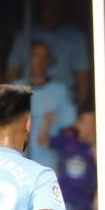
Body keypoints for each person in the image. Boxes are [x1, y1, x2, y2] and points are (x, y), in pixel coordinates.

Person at [5, 0, 90, 108]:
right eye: (47, 5)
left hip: (63, 103)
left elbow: (83, 79)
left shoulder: (75, 38)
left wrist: (80, 110)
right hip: (28, 102)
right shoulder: (24, 35)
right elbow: (11, 73)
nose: (51, 10)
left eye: (55, 5)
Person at [12, 41, 77, 170]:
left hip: (49, 164)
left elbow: (69, 130)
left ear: (49, 61)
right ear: (28, 59)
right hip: (17, 163)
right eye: (36, 56)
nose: (40, 61)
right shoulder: (15, 89)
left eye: (44, 57)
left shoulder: (60, 90)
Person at [53, 109, 97, 210]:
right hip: (64, 200)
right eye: (85, 122)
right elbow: (43, 140)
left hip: (85, 203)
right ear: (77, 124)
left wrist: (94, 144)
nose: (89, 126)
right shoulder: (68, 141)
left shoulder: (97, 146)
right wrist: (48, 121)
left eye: (92, 123)